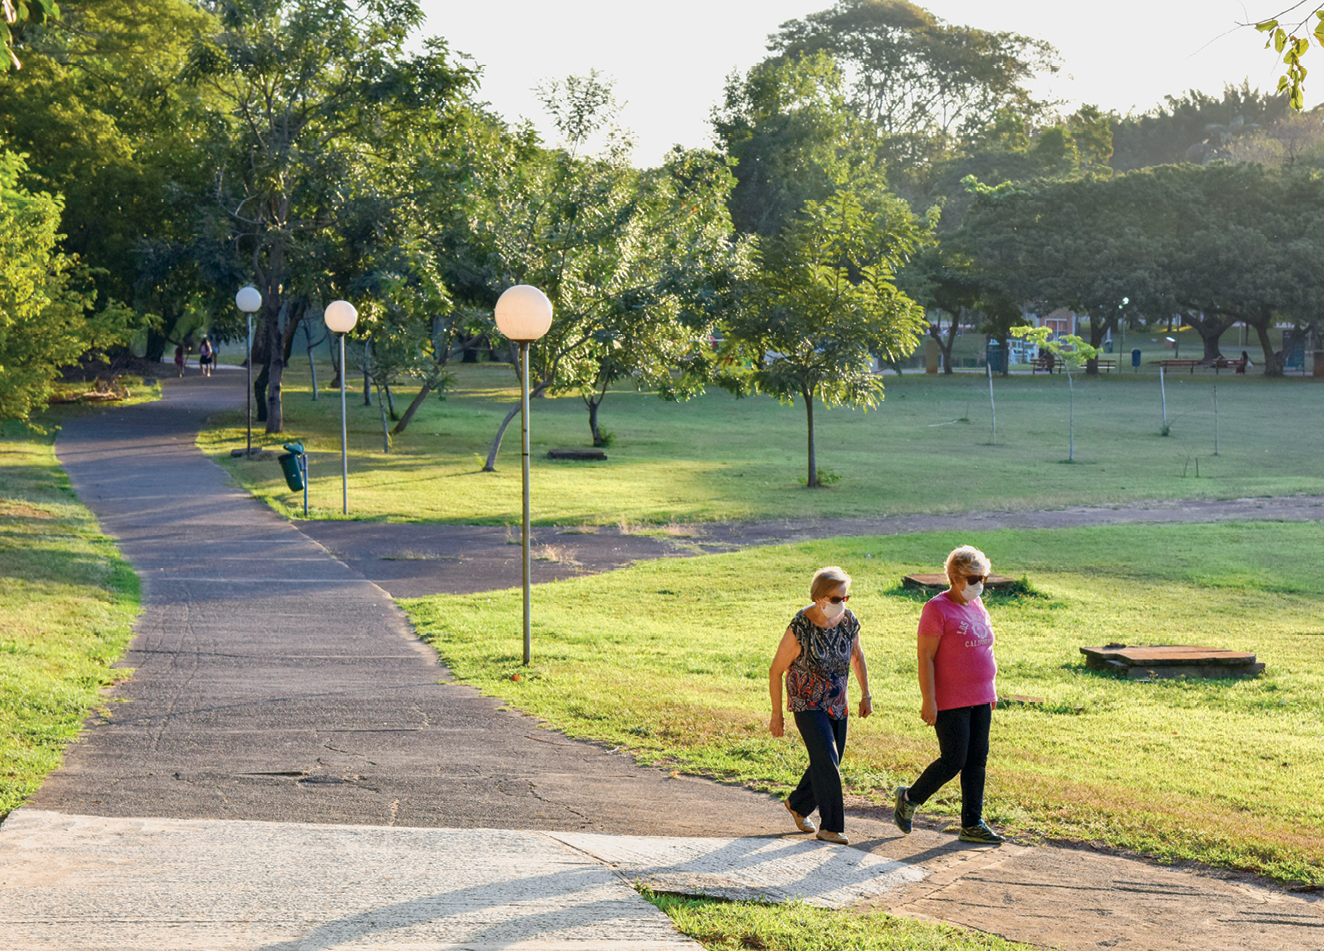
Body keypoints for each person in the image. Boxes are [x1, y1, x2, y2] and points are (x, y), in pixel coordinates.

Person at [893, 545, 1003, 845]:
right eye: (972, 579)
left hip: (981, 696)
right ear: (954, 578)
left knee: (977, 760)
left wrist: (990, 690)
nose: (979, 584)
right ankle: (910, 798)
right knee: (954, 758)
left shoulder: (978, 606)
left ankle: (972, 823)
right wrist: (928, 699)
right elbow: (925, 657)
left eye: (983, 578)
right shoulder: (936, 609)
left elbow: (985, 649)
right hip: (950, 698)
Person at [769, 566, 872, 845]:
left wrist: (866, 694)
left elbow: (857, 657)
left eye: (845, 598)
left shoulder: (849, 621)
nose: (842, 604)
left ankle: (799, 805)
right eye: (837, 599)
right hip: (806, 701)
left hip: (838, 701)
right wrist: (777, 714)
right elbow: (775, 669)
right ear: (819, 598)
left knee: (829, 760)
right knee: (827, 758)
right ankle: (831, 827)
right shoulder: (800, 626)